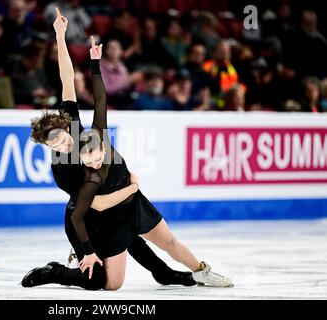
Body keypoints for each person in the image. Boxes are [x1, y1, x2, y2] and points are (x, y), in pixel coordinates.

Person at [23, 8, 196, 290]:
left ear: (67, 127)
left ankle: (164, 272)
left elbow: (67, 79)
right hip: (85, 219)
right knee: (102, 283)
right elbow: (95, 206)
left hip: (109, 209)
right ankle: (54, 272)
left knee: (126, 225)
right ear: (46, 146)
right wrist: (87, 249)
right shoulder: (62, 171)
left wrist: (60, 36)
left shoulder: (78, 129)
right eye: (52, 144)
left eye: (61, 137)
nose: (61, 144)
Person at [68, 41, 233, 290]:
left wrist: (94, 64)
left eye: (97, 154)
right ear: (80, 159)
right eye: (88, 159)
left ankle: (202, 271)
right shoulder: (86, 178)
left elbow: (100, 99)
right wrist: (131, 189)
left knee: (169, 242)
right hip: (112, 216)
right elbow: (94, 207)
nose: (95, 160)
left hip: (136, 206)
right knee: (113, 285)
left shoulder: (98, 136)